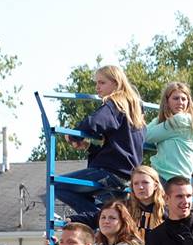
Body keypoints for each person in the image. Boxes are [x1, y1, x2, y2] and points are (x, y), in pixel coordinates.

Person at [56, 65, 146, 216]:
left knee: (57, 185)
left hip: (111, 173)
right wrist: (88, 146)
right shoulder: (135, 112)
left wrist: (74, 135)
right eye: (96, 83)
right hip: (126, 176)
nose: (97, 87)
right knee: (115, 215)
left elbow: (94, 122)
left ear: (116, 83)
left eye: (102, 82)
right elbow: (121, 148)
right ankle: (102, 219)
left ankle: (96, 218)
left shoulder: (116, 103)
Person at [144, 82, 193, 182]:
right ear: (166, 101)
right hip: (182, 178)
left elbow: (146, 135)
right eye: (176, 98)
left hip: (166, 177)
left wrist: (159, 119)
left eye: (184, 99)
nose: (180, 102)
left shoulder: (180, 120)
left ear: (188, 102)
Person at [127, 165, 166, 241]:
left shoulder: (168, 210)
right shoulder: (124, 209)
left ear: (155, 185)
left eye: (145, 182)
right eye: (136, 183)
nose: (140, 187)